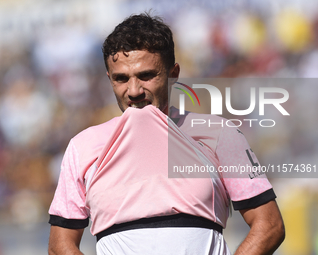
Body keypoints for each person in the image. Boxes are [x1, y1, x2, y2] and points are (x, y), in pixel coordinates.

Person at [48, 13, 285, 255]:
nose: (134, 90)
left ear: (174, 74)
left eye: (146, 75)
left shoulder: (221, 134)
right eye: (121, 79)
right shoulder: (83, 146)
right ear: (109, 79)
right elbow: (60, 245)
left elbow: (269, 225)